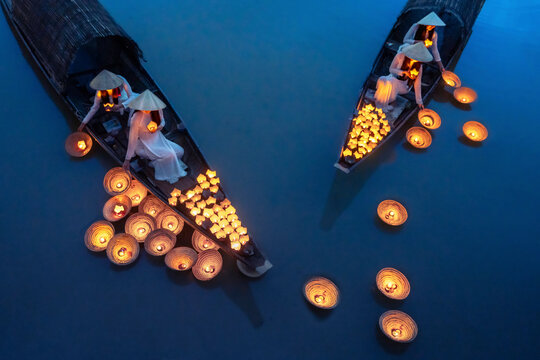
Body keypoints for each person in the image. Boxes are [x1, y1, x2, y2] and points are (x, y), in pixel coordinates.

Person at [123, 90, 188, 184]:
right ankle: (167, 171)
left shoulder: (157, 110)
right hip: (143, 144)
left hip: (159, 140)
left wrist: (157, 127)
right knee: (170, 154)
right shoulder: (136, 118)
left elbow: (162, 122)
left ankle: (154, 164)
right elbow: (132, 139)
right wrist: (127, 159)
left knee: (180, 152)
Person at [374, 42, 433, 110]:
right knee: (382, 79)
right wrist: (402, 72)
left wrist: (419, 101)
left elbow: (417, 84)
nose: (415, 59)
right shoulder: (400, 55)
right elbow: (391, 69)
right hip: (393, 78)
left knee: (391, 82)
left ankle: (383, 103)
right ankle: (383, 101)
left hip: (405, 86)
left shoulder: (419, 66)